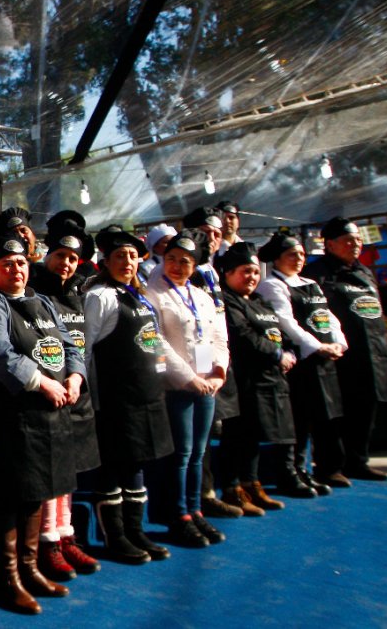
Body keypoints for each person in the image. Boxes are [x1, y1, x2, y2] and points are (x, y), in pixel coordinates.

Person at [0, 233, 87, 614]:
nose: (16, 269)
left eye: (20, 263)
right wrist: (43, 381)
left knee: (36, 493)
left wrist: (75, 377)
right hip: (10, 421)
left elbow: (71, 347)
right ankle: (9, 579)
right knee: (7, 499)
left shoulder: (43, 302)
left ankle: (30, 568)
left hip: (49, 420)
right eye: (7, 264)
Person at [82, 226, 175, 565]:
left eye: (133, 256)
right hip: (114, 399)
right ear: (106, 261)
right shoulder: (100, 297)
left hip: (146, 397)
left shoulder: (139, 296)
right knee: (113, 467)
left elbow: (155, 344)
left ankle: (137, 531)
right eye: (120, 256)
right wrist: (90, 399)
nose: (127, 262)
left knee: (137, 465)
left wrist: (165, 375)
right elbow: (85, 348)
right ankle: (115, 536)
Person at [143, 230, 229, 548]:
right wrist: (186, 378)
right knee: (180, 454)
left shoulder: (203, 297)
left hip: (206, 385)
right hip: (175, 386)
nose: (178, 266)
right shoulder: (153, 294)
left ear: (195, 266)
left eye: (186, 262)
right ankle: (177, 514)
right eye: (172, 259)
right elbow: (155, 343)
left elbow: (218, 336)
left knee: (198, 453)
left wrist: (218, 371)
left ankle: (195, 509)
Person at [28, 217, 102, 580]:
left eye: (73, 258)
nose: (66, 263)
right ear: (46, 255)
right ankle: (48, 542)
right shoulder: (32, 289)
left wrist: (78, 379)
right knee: (52, 475)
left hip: (78, 393)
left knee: (70, 475)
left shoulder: (78, 292)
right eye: (60, 255)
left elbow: (80, 347)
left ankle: (66, 533)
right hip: (48, 396)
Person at [301, 217, 387, 483]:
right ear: (330, 245)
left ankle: (358, 461)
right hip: (339, 355)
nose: (355, 244)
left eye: (358, 239)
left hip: (373, 353)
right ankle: (329, 466)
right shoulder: (316, 274)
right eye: (348, 240)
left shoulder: (365, 272)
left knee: (365, 408)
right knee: (334, 412)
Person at [256, 232, 347, 497]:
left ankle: (319, 468)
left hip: (325, 358)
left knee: (325, 416)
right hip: (302, 360)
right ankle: (293, 471)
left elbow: (328, 316)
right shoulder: (272, 286)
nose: (298, 259)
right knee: (300, 418)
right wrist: (317, 346)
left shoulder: (310, 283)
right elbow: (286, 323)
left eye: (301, 254)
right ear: (277, 259)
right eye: (291, 255)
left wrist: (338, 342)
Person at [217, 242, 296, 516]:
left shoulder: (259, 301)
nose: (250, 277)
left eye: (254, 272)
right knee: (237, 436)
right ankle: (232, 487)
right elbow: (245, 336)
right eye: (244, 272)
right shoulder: (227, 301)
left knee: (253, 438)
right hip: (243, 381)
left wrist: (288, 351)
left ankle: (252, 483)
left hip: (270, 380)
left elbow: (278, 332)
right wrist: (277, 355)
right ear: (228, 274)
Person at [181, 206, 243, 519]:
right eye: (206, 234)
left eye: (218, 234)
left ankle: (221, 488)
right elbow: (196, 329)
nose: (214, 239)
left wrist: (220, 364)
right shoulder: (188, 271)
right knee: (197, 441)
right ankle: (199, 497)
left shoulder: (212, 270)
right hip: (194, 368)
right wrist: (209, 368)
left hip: (218, 360)